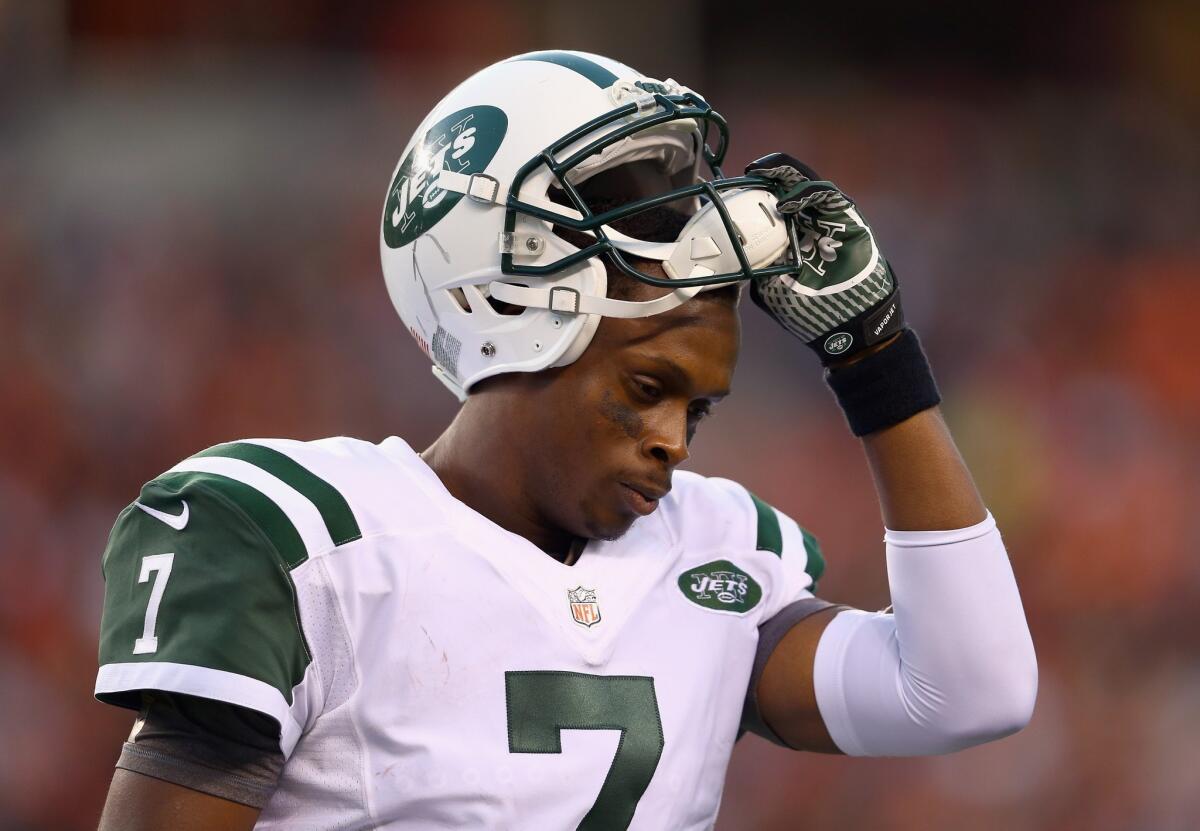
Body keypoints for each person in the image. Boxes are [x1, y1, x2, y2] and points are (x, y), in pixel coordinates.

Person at [94, 50, 1037, 830]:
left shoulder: (715, 555)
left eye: (697, 409)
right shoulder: (305, 539)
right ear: (506, 309)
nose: (674, 442)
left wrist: (874, 362)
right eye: (647, 389)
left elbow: (970, 688)